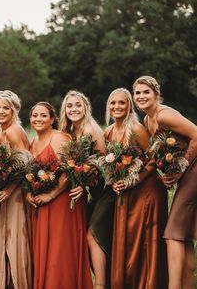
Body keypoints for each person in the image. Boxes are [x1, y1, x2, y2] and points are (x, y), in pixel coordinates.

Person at [133, 76, 197, 289]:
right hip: (185, 173)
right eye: (138, 93)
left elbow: (196, 135)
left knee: (173, 234)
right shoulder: (146, 120)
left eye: (146, 92)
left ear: (156, 94)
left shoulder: (164, 116)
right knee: (184, 235)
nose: (141, 96)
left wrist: (180, 169)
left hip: (194, 169)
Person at [104, 87, 168, 288]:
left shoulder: (137, 129)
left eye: (122, 102)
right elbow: (110, 164)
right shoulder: (108, 132)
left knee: (144, 242)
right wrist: (114, 180)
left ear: (129, 105)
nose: (117, 107)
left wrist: (134, 180)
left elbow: (154, 159)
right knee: (128, 240)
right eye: (113, 103)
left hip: (147, 190)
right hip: (124, 192)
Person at [27, 102, 92, 289]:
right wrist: (30, 194)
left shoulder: (59, 138)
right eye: (34, 115)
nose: (38, 119)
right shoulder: (34, 142)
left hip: (62, 202)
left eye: (43, 115)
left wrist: (52, 195)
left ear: (52, 119)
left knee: (59, 252)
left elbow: (69, 168)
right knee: (46, 252)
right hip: (42, 204)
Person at [59, 90, 111, 288]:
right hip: (93, 194)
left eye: (78, 105)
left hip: (106, 192)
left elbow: (104, 165)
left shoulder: (92, 131)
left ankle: (100, 285)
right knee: (84, 237)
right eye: (70, 106)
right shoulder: (71, 132)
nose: (74, 109)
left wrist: (82, 182)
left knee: (92, 236)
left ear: (86, 107)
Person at [0, 90, 32, 289]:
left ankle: (18, 282)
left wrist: (9, 190)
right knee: (4, 240)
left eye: (5, 108)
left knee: (14, 241)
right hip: (3, 191)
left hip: (14, 194)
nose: (0, 111)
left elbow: (26, 165)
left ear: (14, 110)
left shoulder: (13, 131)